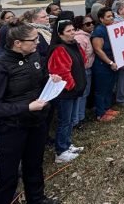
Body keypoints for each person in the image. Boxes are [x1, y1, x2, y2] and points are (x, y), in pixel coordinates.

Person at [0, 22, 60, 204]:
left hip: (35, 124)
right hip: (9, 129)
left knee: (34, 166)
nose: (38, 42)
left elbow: (37, 80)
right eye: (34, 39)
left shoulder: (34, 57)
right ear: (18, 43)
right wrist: (26, 107)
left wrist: (50, 79)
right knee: (6, 177)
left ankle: (37, 199)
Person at [47, 20, 87, 163]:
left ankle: (67, 143)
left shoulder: (73, 45)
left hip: (75, 90)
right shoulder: (59, 49)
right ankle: (61, 150)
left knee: (70, 120)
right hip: (66, 92)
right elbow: (61, 71)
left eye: (73, 30)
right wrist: (73, 86)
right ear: (60, 34)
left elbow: (83, 59)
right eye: (68, 31)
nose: (72, 33)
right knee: (64, 121)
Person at [90, 7, 120, 122]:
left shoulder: (112, 27)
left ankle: (107, 108)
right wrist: (110, 62)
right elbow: (98, 50)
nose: (111, 18)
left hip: (112, 63)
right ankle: (100, 113)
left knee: (109, 87)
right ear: (101, 19)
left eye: (112, 15)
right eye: (108, 16)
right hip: (103, 65)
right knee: (101, 90)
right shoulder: (99, 31)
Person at [72, 15, 95, 129]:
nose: (91, 25)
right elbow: (80, 57)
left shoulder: (86, 36)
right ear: (80, 26)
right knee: (81, 95)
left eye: (92, 22)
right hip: (83, 70)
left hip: (87, 69)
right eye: (87, 24)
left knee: (85, 94)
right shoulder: (80, 38)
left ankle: (81, 117)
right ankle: (77, 120)